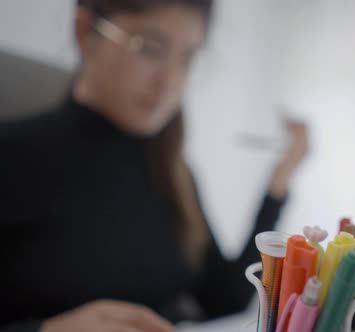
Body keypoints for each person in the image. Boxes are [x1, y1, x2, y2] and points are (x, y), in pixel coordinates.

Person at [0, 0, 308, 331]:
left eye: (186, 59)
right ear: (85, 30)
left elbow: (223, 300)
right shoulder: (13, 153)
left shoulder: (173, 172)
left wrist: (278, 182)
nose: (170, 80)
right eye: (149, 48)